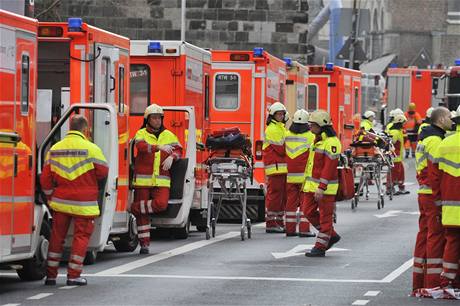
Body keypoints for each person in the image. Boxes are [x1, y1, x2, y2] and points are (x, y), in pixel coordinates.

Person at [41, 115, 108, 286]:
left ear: (69, 128)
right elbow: (103, 173)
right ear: (85, 130)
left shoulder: (55, 149)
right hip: (84, 204)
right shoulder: (92, 149)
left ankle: (50, 276)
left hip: (61, 202)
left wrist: (50, 197)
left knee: (57, 237)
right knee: (80, 237)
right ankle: (73, 275)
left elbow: (46, 179)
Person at [131, 104, 182, 254]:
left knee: (161, 204)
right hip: (143, 180)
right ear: (147, 119)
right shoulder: (141, 133)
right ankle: (144, 244)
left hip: (162, 180)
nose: (158, 121)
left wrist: (173, 157)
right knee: (143, 215)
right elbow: (140, 146)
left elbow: (179, 149)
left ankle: (132, 208)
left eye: (159, 118)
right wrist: (158, 148)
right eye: (154, 118)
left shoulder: (169, 135)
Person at [412, 107, 452, 291]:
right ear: (442, 119)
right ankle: (433, 284)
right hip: (432, 194)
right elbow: (437, 173)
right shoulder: (436, 141)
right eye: (449, 118)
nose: (452, 121)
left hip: (424, 193)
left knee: (424, 236)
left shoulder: (426, 138)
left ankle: (419, 282)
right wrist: (440, 199)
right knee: (435, 237)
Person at [302, 110, 342, 257]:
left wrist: (321, 187)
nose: (310, 127)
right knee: (307, 211)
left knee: (326, 217)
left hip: (325, 189)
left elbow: (329, 168)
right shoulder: (317, 140)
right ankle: (331, 235)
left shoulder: (332, 143)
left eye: (312, 125)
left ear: (321, 126)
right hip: (311, 186)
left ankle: (320, 246)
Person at [432, 105, 460, 289]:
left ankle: (448, 282)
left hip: (450, 209)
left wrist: (438, 205)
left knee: (452, 243)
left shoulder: (444, 145)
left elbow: (435, 180)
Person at [285, 109, 315, 238]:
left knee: (290, 203)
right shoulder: (311, 137)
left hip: (290, 177)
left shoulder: (286, 135)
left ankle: (290, 229)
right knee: (305, 204)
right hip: (304, 177)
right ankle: (304, 229)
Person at [263, 102, 288, 233]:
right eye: (278, 114)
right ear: (273, 115)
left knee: (282, 197)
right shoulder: (272, 129)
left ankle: (278, 221)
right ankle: (271, 223)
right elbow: (281, 149)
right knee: (275, 197)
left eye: (282, 114)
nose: (280, 116)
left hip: (282, 168)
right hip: (276, 168)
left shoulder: (281, 128)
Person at [387, 114, 410, 195]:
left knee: (400, 173)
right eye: (403, 122)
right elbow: (391, 143)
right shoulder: (395, 132)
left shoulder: (398, 131)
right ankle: (390, 188)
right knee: (394, 173)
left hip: (397, 157)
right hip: (395, 157)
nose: (404, 124)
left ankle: (400, 188)